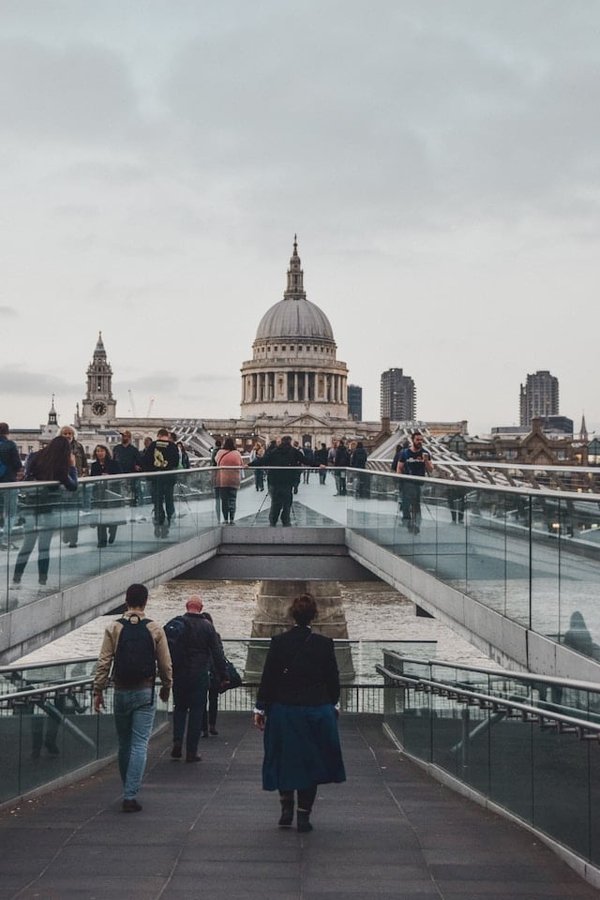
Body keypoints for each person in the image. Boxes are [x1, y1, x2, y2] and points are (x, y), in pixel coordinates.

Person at [253, 593, 346, 833]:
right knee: (311, 762)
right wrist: (334, 704)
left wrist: (260, 707)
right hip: (316, 710)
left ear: (292, 615)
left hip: (284, 710)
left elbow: (269, 678)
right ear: (314, 616)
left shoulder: (278, 642)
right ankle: (303, 815)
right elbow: (332, 680)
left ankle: (286, 808)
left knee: (285, 759)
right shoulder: (324, 645)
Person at [93, 583, 172, 812]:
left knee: (124, 743)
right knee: (139, 744)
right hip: (144, 691)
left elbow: (104, 662)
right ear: (146, 602)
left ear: (126, 601)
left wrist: (98, 690)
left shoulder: (114, 628)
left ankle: (126, 786)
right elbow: (166, 664)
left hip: (120, 691)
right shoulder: (154, 628)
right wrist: (166, 687)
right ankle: (130, 794)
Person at [12, 436, 78, 586]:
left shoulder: (35, 456)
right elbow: (73, 486)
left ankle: (16, 578)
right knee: (44, 548)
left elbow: (27, 474)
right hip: (48, 509)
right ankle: (42, 580)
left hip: (30, 507)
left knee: (27, 545)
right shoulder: (60, 466)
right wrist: (73, 466)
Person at [169, 596, 228, 762]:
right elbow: (217, 653)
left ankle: (177, 741)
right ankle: (191, 751)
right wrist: (223, 675)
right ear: (200, 608)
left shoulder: (177, 623)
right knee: (196, 711)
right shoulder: (207, 627)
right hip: (199, 674)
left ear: (187, 607)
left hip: (179, 673)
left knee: (179, 708)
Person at [142, 427, 179, 538]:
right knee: (168, 498)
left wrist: (151, 472)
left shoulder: (153, 445)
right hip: (168, 478)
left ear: (158, 435)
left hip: (156, 478)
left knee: (157, 499)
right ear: (167, 436)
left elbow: (146, 461)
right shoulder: (172, 446)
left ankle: (159, 518)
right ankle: (169, 518)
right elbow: (176, 462)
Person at [397, 430, 433, 534]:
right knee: (406, 505)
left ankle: (416, 526)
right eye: (417, 440)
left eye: (421, 440)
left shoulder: (425, 453)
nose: (420, 442)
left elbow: (431, 469)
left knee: (417, 505)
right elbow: (399, 468)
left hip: (419, 484)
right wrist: (400, 480)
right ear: (412, 440)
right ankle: (407, 524)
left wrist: (426, 460)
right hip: (407, 484)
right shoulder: (405, 453)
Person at [263, 435, 304, 527]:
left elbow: (264, 460)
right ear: (290, 442)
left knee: (275, 502)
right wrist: (319, 464)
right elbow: (306, 460)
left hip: (275, 480)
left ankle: (273, 520)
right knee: (287, 502)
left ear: (281, 441)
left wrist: (249, 464)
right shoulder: (294, 452)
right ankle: (285, 520)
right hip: (288, 481)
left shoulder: (275, 452)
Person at [59, 426, 88, 548]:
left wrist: (83, 475)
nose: (67, 435)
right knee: (65, 512)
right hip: (62, 482)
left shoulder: (79, 446)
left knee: (74, 512)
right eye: (65, 433)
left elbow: (85, 464)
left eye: (70, 433)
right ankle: (66, 534)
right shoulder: (57, 447)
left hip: (76, 481)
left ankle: (73, 540)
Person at [90, 444, 123, 547]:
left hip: (113, 492)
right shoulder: (94, 465)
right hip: (100, 494)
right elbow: (92, 479)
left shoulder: (114, 463)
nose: (99, 453)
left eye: (102, 451)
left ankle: (113, 531)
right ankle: (102, 540)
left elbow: (121, 476)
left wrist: (110, 477)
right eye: (98, 451)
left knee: (112, 515)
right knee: (101, 516)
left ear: (106, 452)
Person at [200, 611, 224, 738]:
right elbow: (220, 654)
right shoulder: (216, 636)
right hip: (214, 672)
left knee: (202, 701)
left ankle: (203, 728)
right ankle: (212, 725)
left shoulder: (197, 637)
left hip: (203, 671)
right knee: (213, 700)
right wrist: (223, 673)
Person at [0, 422, 24, 549]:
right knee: (10, 513)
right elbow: (18, 464)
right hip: (9, 482)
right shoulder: (10, 445)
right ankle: (5, 541)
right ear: (7, 432)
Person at [215, 437, 244, 524]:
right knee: (232, 499)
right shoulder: (237, 453)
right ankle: (232, 518)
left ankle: (225, 519)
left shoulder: (220, 452)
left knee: (224, 500)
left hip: (223, 479)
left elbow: (216, 461)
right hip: (234, 479)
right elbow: (241, 463)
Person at [113, 430, 142, 506]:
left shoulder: (134, 450)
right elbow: (113, 461)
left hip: (130, 475)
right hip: (119, 474)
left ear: (129, 438)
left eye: (125, 436)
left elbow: (139, 462)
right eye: (122, 436)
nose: (123, 437)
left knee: (132, 494)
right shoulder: (116, 448)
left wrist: (137, 467)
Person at [210, 439, 223, 522]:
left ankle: (218, 518)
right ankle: (226, 517)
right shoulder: (222, 451)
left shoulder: (214, 452)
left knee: (217, 498)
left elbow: (213, 462)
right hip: (224, 475)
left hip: (216, 475)